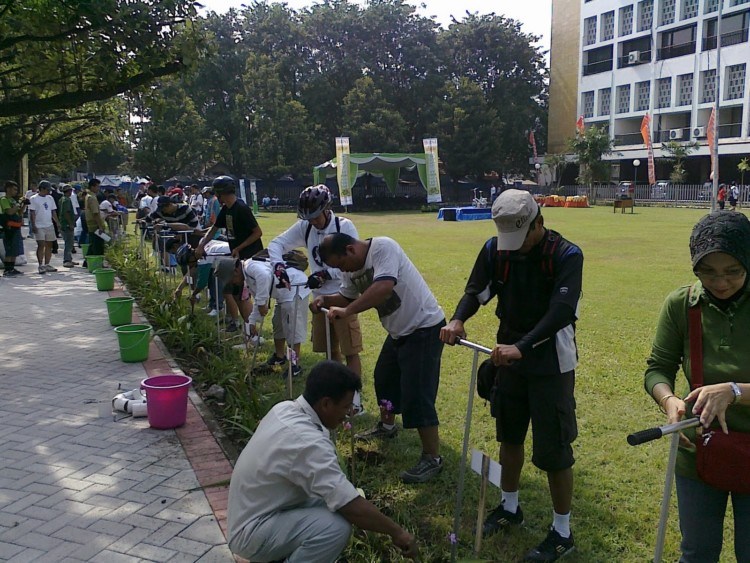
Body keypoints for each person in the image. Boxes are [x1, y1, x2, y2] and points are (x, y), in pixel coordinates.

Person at [440, 189, 583, 561]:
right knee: (510, 434)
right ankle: (509, 506)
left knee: (554, 450)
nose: (514, 248)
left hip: (551, 362)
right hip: (508, 357)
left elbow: (562, 311)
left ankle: (562, 532)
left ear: (539, 223)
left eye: (521, 239)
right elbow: (478, 290)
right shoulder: (495, 250)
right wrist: (458, 319)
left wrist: (523, 346)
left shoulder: (567, 255)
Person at [227, 360, 419, 562]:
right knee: (334, 528)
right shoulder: (307, 443)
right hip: (250, 533)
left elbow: (337, 493)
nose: (348, 414)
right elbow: (348, 504)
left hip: (254, 513)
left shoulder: (285, 408)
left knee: (329, 501)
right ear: (326, 403)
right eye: (346, 406)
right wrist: (397, 532)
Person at [644, 211, 750, 563]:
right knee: (697, 552)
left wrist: (734, 390)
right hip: (699, 451)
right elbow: (657, 370)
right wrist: (670, 401)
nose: (720, 282)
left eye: (732, 271)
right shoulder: (681, 304)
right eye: (708, 272)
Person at [315, 233, 446, 484]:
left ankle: (432, 457)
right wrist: (326, 299)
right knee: (384, 378)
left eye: (341, 265)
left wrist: (348, 311)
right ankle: (387, 427)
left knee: (417, 394)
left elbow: (384, 287)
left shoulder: (383, 248)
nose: (342, 270)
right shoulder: (350, 269)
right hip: (398, 332)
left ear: (351, 250)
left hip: (424, 327)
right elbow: (347, 297)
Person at [268, 185, 364, 411]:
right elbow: (276, 244)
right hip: (320, 300)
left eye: (315, 217)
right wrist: (279, 266)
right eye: (308, 218)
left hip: (343, 295)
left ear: (326, 209)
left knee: (351, 349)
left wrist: (326, 273)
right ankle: (339, 396)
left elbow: (355, 262)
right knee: (331, 351)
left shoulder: (343, 226)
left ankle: (356, 401)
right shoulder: (306, 227)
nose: (313, 222)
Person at [243, 256, 310, 377]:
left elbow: (264, 276)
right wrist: (252, 321)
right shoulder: (246, 275)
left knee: (292, 329)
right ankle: (279, 356)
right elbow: (259, 298)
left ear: (235, 271)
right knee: (277, 323)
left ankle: (295, 365)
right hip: (282, 292)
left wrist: (263, 302)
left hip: (294, 288)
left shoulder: (250, 267)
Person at [195, 176, 263, 261]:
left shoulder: (241, 208)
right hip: (237, 255)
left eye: (216, 192)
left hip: (251, 257)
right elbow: (214, 229)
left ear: (221, 193)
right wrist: (201, 246)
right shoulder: (226, 208)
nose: (215, 195)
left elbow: (258, 233)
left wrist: (238, 248)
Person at [28, 180, 60, 274]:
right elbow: (32, 212)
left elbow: (53, 211)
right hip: (39, 225)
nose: (49, 191)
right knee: (41, 244)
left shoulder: (50, 198)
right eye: (47, 189)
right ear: (42, 189)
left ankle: (47, 264)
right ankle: (40, 265)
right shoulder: (34, 198)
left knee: (49, 245)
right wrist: (33, 225)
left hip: (49, 224)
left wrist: (57, 222)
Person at [1, 181, 27, 276]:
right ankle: (7, 269)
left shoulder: (13, 200)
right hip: (9, 228)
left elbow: (19, 213)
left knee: (15, 250)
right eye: (14, 189)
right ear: (8, 189)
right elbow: (10, 212)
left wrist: (24, 204)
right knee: (9, 250)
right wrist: (18, 205)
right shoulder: (4, 200)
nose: (16, 191)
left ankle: (12, 267)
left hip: (16, 227)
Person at [84, 178, 107, 265]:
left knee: (92, 244)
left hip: (91, 224)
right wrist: (100, 226)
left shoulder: (88, 196)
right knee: (98, 245)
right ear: (92, 187)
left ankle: (86, 262)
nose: (99, 188)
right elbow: (95, 213)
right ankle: (98, 263)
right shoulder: (92, 198)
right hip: (95, 225)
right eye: (98, 186)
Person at [58, 185, 78, 268]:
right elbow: (66, 213)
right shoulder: (66, 200)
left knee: (70, 242)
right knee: (69, 243)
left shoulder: (62, 199)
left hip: (64, 223)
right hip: (66, 224)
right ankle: (66, 260)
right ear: (69, 191)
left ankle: (69, 258)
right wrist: (70, 223)